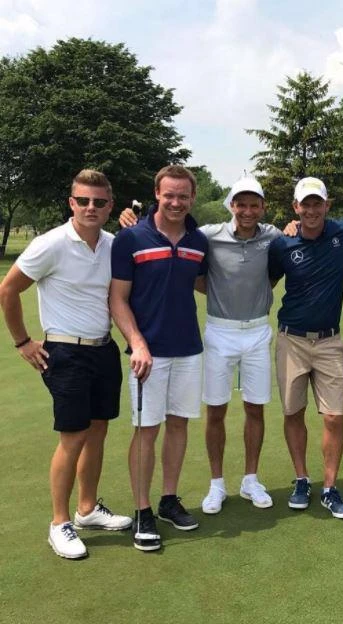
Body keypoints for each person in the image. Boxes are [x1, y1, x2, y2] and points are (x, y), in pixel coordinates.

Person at [119, 177, 281, 513]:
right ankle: (216, 484)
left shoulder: (274, 236)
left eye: (254, 205)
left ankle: (250, 480)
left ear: (263, 207)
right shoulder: (208, 235)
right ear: (231, 205)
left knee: (256, 408)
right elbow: (191, 266)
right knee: (215, 410)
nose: (247, 211)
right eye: (241, 204)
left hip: (257, 332)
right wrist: (131, 218)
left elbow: (291, 249)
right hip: (220, 332)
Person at [0, 169, 131, 559]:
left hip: (103, 349)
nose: (91, 208)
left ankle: (86, 509)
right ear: (72, 203)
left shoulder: (113, 245)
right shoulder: (50, 244)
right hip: (66, 352)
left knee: (98, 431)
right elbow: (8, 289)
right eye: (83, 201)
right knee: (73, 436)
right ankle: (59, 523)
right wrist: (22, 342)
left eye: (99, 202)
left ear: (110, 206)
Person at [110, 165, 208, 551]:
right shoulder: (130, 238)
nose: (176, 202)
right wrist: (137, 342)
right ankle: (142, 510)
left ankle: (168, 500)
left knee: (179, 425)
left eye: (183, 196)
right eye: (169, 195)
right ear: (157, 194)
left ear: (192, 198)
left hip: (188, 348)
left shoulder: (199, 241)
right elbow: (117, 299)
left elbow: (202, 283)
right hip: (147, 354)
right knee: (146, 430)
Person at [268, 177, 343, 519]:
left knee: (334, 416)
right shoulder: (283, 244)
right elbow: (267, 281)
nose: (312, 210)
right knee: (293, 412)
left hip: (330, 340)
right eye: (306, 204)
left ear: (327, 205)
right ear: (296, 207)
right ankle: (302, 479)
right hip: (291, 339)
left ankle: (330, 488)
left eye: (317, 203)